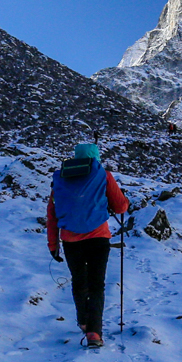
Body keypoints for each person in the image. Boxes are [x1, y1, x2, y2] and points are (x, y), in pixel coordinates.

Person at [46, 140, 129, 347]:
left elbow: (52, 214)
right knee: (96, 285)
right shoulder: (103, 175)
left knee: (78, 281)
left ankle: (83, 321)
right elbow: (120, 207)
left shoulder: (61, 177)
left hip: (69, 239)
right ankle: (94, 332)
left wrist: (53, 245)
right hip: (98, 237)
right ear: (95, 157)